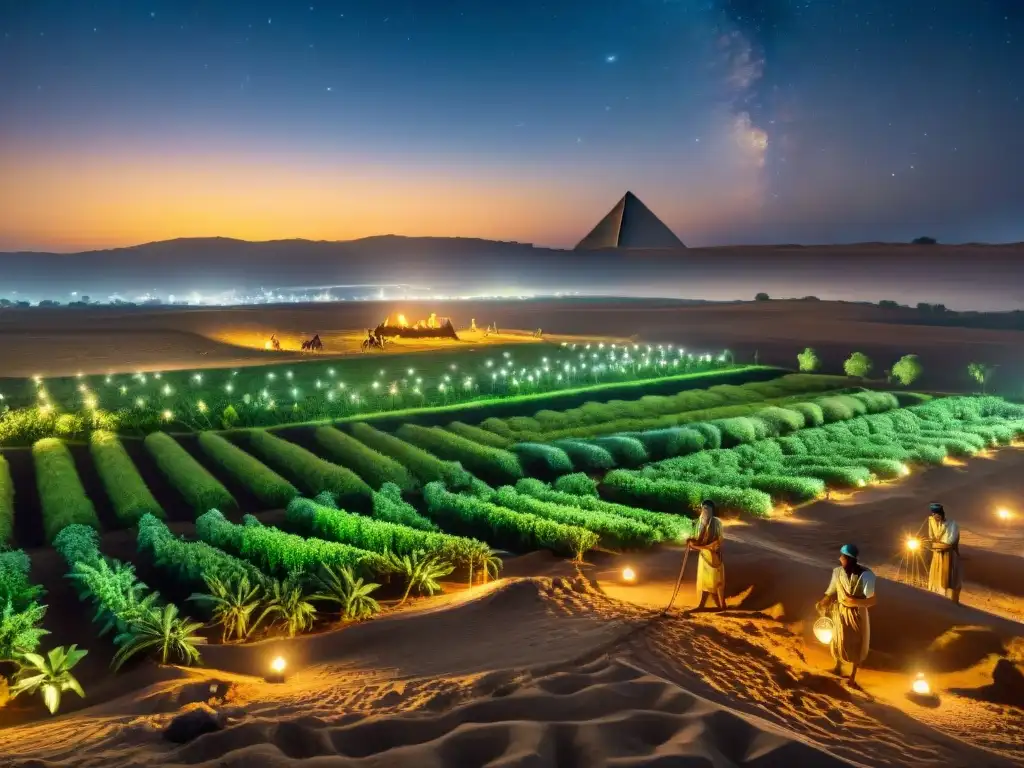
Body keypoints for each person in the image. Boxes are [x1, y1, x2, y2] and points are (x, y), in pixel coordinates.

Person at [816, 544, 876, 685]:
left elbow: (872, 599)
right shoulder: (837, 572)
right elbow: (831, 590)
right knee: (838, 638)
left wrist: (854, 601)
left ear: (849, 558)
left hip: (857, 613)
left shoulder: (867, 574)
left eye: (842, 556)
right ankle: (838, 667)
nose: (840, 558)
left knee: (857, 641)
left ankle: (853, 676)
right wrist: (823, 601)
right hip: (840, 611)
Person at [687, 499, 725, 611]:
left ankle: (721, 605)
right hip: (703, 556)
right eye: (703, 508)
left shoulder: (716, 522)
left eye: (707, 508)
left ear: (712, 509)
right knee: (704, 580)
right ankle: (702, 605)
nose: (705, 510)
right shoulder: (699, 522)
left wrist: (698, 547)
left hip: (714, 557)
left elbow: (718, 540)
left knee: (716, 581)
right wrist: (691, 541)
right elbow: (697, 538)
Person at [927, 502, 962, 604]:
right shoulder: (932, 522)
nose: (934, 517)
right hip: (937, 556)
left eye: (936, 514)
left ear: (941, 514)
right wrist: (933, 544)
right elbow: (931, 538)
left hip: (949, 556)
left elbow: (950, 543)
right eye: (933, 515)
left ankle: (950, 604)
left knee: (949, 581)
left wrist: (935, 545)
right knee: (936, 579)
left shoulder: (952, 525)